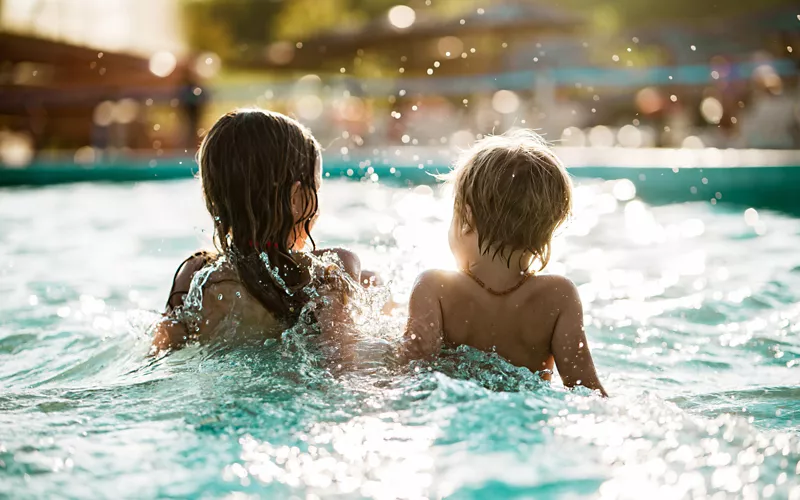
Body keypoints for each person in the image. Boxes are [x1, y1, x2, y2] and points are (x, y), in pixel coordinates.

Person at [402, 130, 607, 396]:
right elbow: (587, 390)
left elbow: (411, 376)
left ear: (467, 217)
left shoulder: (435, 287)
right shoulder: (559, 296)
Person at [151, 109, 363, 353]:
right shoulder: (328, 268)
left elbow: (160, 353)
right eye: (316, 187)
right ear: (296, 198)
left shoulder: (195, 274)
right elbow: (341, 361)